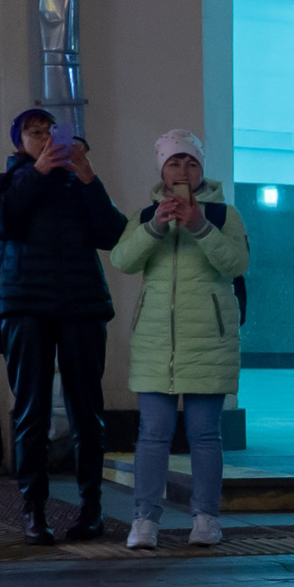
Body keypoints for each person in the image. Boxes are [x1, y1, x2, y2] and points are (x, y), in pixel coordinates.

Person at [0, 107, 126, 544]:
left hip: (82, 306)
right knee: (32, 412)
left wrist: (88, 177)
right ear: (18, 142)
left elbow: (113, 234)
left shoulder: (79, 184)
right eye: (34, 132)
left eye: (51, 133)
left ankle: (92, 510)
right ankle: (34, 511)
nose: (44, 139)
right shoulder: (6, 182)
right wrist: (37, 174)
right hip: (26, 306)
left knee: (87, 412)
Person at [109, 130, 250, 550]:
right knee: (153, 434)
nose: (183, 170)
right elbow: (122, 260)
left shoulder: (225, 215)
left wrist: (201, 227)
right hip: (155, 342)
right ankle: (144, 521)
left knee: (205, 434)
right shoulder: (146, 214)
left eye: (191, 163)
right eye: (174, 163)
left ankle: (206, 518)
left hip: (209, 339)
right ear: (162, 171)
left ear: (202, 169)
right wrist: (154, 226)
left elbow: (237, 264)